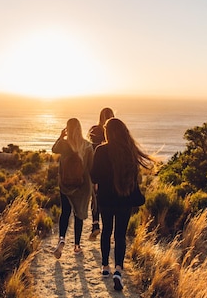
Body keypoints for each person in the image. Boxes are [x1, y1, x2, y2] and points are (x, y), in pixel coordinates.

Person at [90, 117, 154, 291]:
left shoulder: (101, 151)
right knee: (120, 235)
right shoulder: (129, 151)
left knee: (106, 231)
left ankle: (104, 267)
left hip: (105, 199)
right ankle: (118, 269)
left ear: (107, 132)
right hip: (125, 199)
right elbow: (134, 178)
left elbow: (94, 176)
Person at [52, 118, 94, 259]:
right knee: (79, 215)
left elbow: (53, 149)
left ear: (67, 129)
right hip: (82, 186)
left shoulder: (64, 144)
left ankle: (62, 239)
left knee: (65, 212)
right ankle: (76, 246)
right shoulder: (88, 146)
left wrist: (61, 136)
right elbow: (91, 168)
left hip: (65, 185)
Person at [87, 107, 115, 240]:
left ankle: (95, 224)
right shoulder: (115, 134)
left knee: (95, 198)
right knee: (110, 200)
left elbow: (89, 147)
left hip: (96, 168)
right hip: (112, 172)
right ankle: (108, 228)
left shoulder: (94, 130)